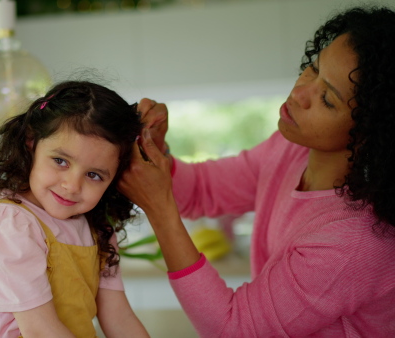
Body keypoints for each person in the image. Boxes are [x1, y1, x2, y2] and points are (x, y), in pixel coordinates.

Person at [119, 5, 395, 337]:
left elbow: (233, 328)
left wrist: (160, 211)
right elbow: (202, 190)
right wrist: (155, 150)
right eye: (313, 68)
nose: (299, 92)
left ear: (371, 134)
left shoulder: (354, 239)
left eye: (327, 99)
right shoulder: (290, 149)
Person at [0, 80, 150, 337]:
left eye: (94, 175)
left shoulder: (99, 229)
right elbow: (40, 330)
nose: (72, 186)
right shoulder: (12, 221)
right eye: (61, 161)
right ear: (32, 142)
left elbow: (118, 316)